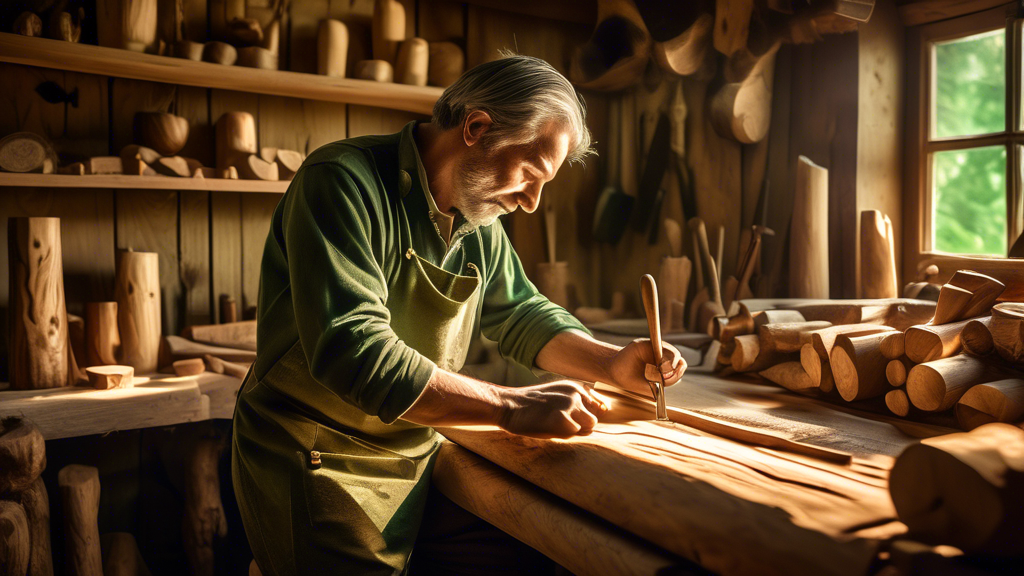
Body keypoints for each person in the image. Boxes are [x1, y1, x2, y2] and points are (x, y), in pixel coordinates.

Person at [231, 53, 686, 575]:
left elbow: (520, 311)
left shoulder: (480, 219)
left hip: (419, 446)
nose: (533, 202)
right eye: (531, 173)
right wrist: (508, 405)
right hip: (316, 454)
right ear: (476, 127)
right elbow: (354, 351)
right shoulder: (340, 181)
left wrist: (610, 363)